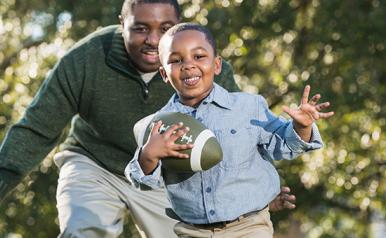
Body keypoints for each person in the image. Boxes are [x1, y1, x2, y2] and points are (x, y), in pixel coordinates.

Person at [0, 0, 295, 237]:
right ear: (122, 24)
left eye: (166, 27)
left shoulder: (206, 69)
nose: (153, 40)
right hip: (94, 163)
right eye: (141, 28)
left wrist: (256, 198)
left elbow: (237, 137)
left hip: (168, 175)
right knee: (85, 228)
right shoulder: (86, 60)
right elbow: (35, 129)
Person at [126, 23, 334, 238]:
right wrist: (148, 155)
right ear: (164, 74)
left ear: (217, 65)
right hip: (191, 230)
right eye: (176, 60)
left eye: (198, 56)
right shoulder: (161, 125)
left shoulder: (248, 107)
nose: (188, 66)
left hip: (249, 225)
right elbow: (142, 181)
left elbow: (284, 146)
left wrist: (302, 126)